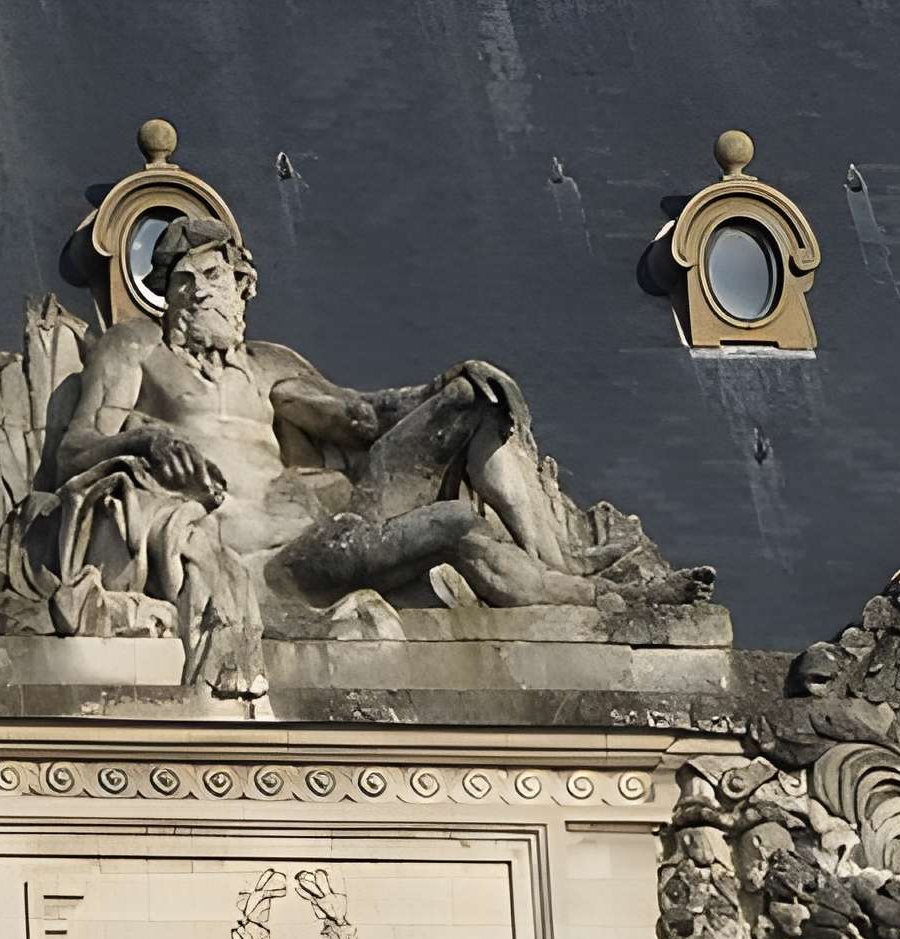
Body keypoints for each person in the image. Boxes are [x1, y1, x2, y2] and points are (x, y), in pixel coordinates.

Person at [38, 214, 711, 693]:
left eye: (230, 276)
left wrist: (436, 387)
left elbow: (359, 417)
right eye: (204, 276)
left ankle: (559, 562)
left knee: (475, 397)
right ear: (177, 290)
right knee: (455, 524)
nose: (221, 292)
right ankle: (601, 601)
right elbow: (76, 449)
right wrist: (147, 437)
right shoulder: (138, 352)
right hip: (272, 568)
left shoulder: (268, 366)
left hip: (337, 525)